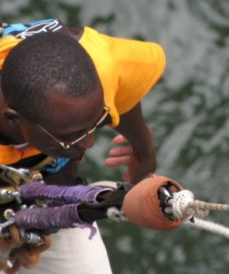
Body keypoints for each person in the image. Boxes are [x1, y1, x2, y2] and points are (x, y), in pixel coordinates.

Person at [0, 18, 166, 273]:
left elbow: (123, 88)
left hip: (49, 211)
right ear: (13, 119)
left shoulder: (99, 63)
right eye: (70, 135)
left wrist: (144, 153)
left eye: (94, 123)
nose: (88, 143)